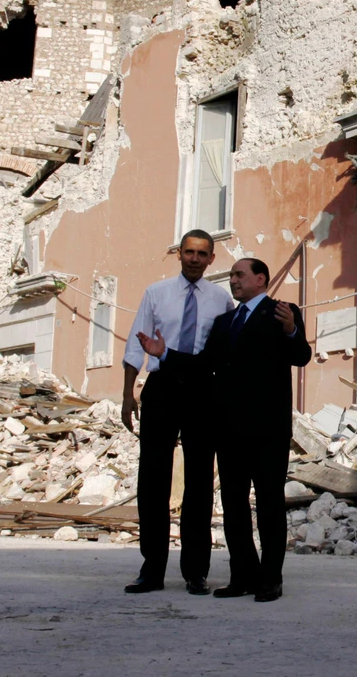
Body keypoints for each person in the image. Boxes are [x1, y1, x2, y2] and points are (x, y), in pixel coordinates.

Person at [141, 257, 309, 602]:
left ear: (260, 279)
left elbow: (301, 356)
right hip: (229, 429)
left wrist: (292, 330)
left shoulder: (282, 311)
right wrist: (166, 354)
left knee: (268, 504)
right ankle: (242, 575)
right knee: (233, 506)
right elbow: (204, 366)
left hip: (267, 429)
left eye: (239, 274)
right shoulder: (225, 322)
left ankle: (270, 579)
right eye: (231, 275)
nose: (233, 280)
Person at [121, 229, 234, 595]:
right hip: (162, 388)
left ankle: (196, 571)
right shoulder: (157, 293)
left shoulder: (222, 300)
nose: (195, 259)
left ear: (212, 258)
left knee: (200, 482)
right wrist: (127, 395)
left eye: (203, 254)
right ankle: (151, 569)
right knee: (153, 479)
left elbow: (224, 356)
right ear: (179, 254)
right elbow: (136, 345)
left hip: (202, 391)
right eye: (189, 252)